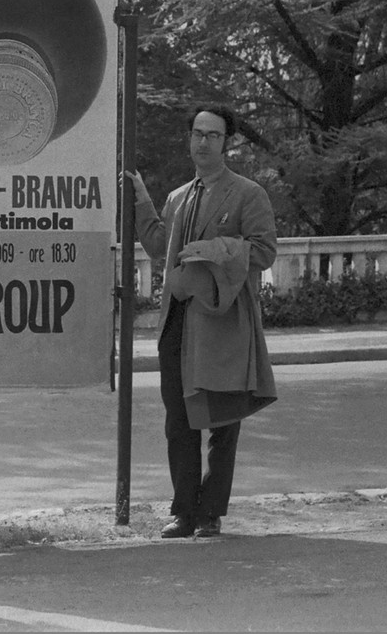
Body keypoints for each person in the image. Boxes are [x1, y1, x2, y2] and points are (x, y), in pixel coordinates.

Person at [125, 104, 278, 539]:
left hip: (224, 322)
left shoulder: (248, 194)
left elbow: (265, 252)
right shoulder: (178, 197)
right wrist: (141, 199)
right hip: (178, 321)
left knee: (223, 421)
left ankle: (210, 512)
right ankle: (183, 512)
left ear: (226, 142)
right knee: (178, 421)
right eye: (197, 133)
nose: (203, 142)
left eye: (212, 135)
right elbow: (159, 246)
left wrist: (215, 250)